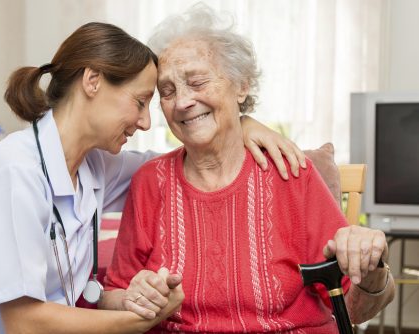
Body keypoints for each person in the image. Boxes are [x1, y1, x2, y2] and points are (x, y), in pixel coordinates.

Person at [0, 22, 305, 334]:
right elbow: (25, 323)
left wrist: (241, 122)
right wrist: (138, 320)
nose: (146, 121)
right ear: (92, 81)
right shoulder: (12, 172)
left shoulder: (95, 166)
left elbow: (184, 158)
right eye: (141, 101)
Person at [102, 6, 395, 333]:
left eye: (197, 81)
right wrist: (134, 295)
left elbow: (356, 309)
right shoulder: (150, 181)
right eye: (167, 91)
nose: (182, 101)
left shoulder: (289, 172)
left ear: (241, 86)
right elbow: (114, 292)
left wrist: (372, 268)